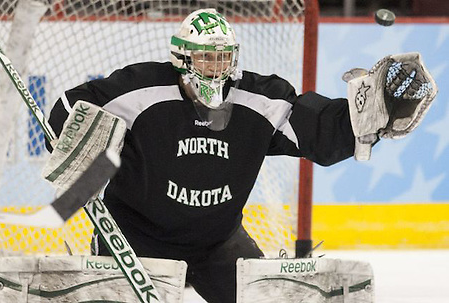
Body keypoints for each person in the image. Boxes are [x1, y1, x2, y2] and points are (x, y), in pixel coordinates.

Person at [46, 8, 430, 303]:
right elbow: (70, 110)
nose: (216, 69)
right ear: (182, 59)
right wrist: (75, 138)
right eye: (206, 59)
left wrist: (371, 118)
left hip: (218, 242)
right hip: (134, 239)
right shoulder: (138, 90)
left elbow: (319, 132)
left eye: (223, 58)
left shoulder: (258, 99)